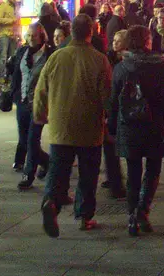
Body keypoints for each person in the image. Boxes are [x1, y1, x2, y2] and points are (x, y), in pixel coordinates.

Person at [32, 14, 114, 237]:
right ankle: (85, 215)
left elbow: (41, 90)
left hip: (60, 126)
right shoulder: (99, 60)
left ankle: (51, 202)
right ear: (92, 31)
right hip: (89, 127)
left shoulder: (57, 57)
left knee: (58, 171)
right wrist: (109, 118)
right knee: (88, 174)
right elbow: (106, 95)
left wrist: (40, 115)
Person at [109, 25, 164, 236]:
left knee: (133, 171)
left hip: (129, 125)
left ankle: (132, 215)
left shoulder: (122, 68)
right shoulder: (159, 66)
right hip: (154, 124)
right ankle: (143, 210)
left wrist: (112, 125)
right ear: (147, 41)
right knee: (153, 169)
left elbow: (114, 101)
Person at [9, 22, 53, 188]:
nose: (30, 38)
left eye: (34, 35)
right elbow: (16, 75)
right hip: (22, 102)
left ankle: (29, 174)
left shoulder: (49, 55)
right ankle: (48, 161)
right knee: (24, 140)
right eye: (28, 35)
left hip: (38, 103)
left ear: (41, 36)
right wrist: (15, 94)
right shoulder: (22, 51)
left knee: (32, 140)